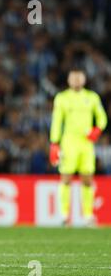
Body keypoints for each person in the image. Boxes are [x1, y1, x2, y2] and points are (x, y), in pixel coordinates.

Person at [49, 68, 107, 226]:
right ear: (68, 80)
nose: (76, 80)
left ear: (84, 79)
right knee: (66, 178)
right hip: (69, 142)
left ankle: (88, 215)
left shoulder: (92, 97)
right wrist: (54, 143)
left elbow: (102, 117)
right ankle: (64, 215)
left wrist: (97, 129)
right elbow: (57, 121)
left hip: (86, 143)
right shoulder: (62, 98)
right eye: (73, 77)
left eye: (79, 77)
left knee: (87, 179)